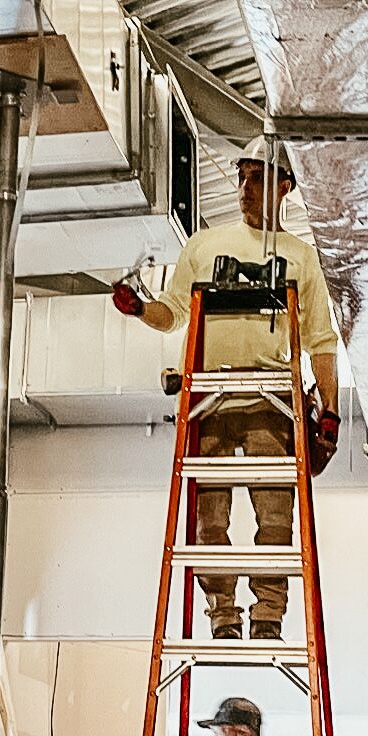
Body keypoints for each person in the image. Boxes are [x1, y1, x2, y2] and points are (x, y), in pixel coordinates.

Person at [112, 142, 339, 640]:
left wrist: (331, 411)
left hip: (272, 403)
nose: (245, 188)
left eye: (258, 178)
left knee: (276, 521)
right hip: (208, 402)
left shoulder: (302, 257)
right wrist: (138, 309)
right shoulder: (205, 245)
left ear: (285, 186)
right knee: (209, 521)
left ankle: (268, 616)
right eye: (242, 176)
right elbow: (173, 313)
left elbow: (321, 340)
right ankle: (223, 614)